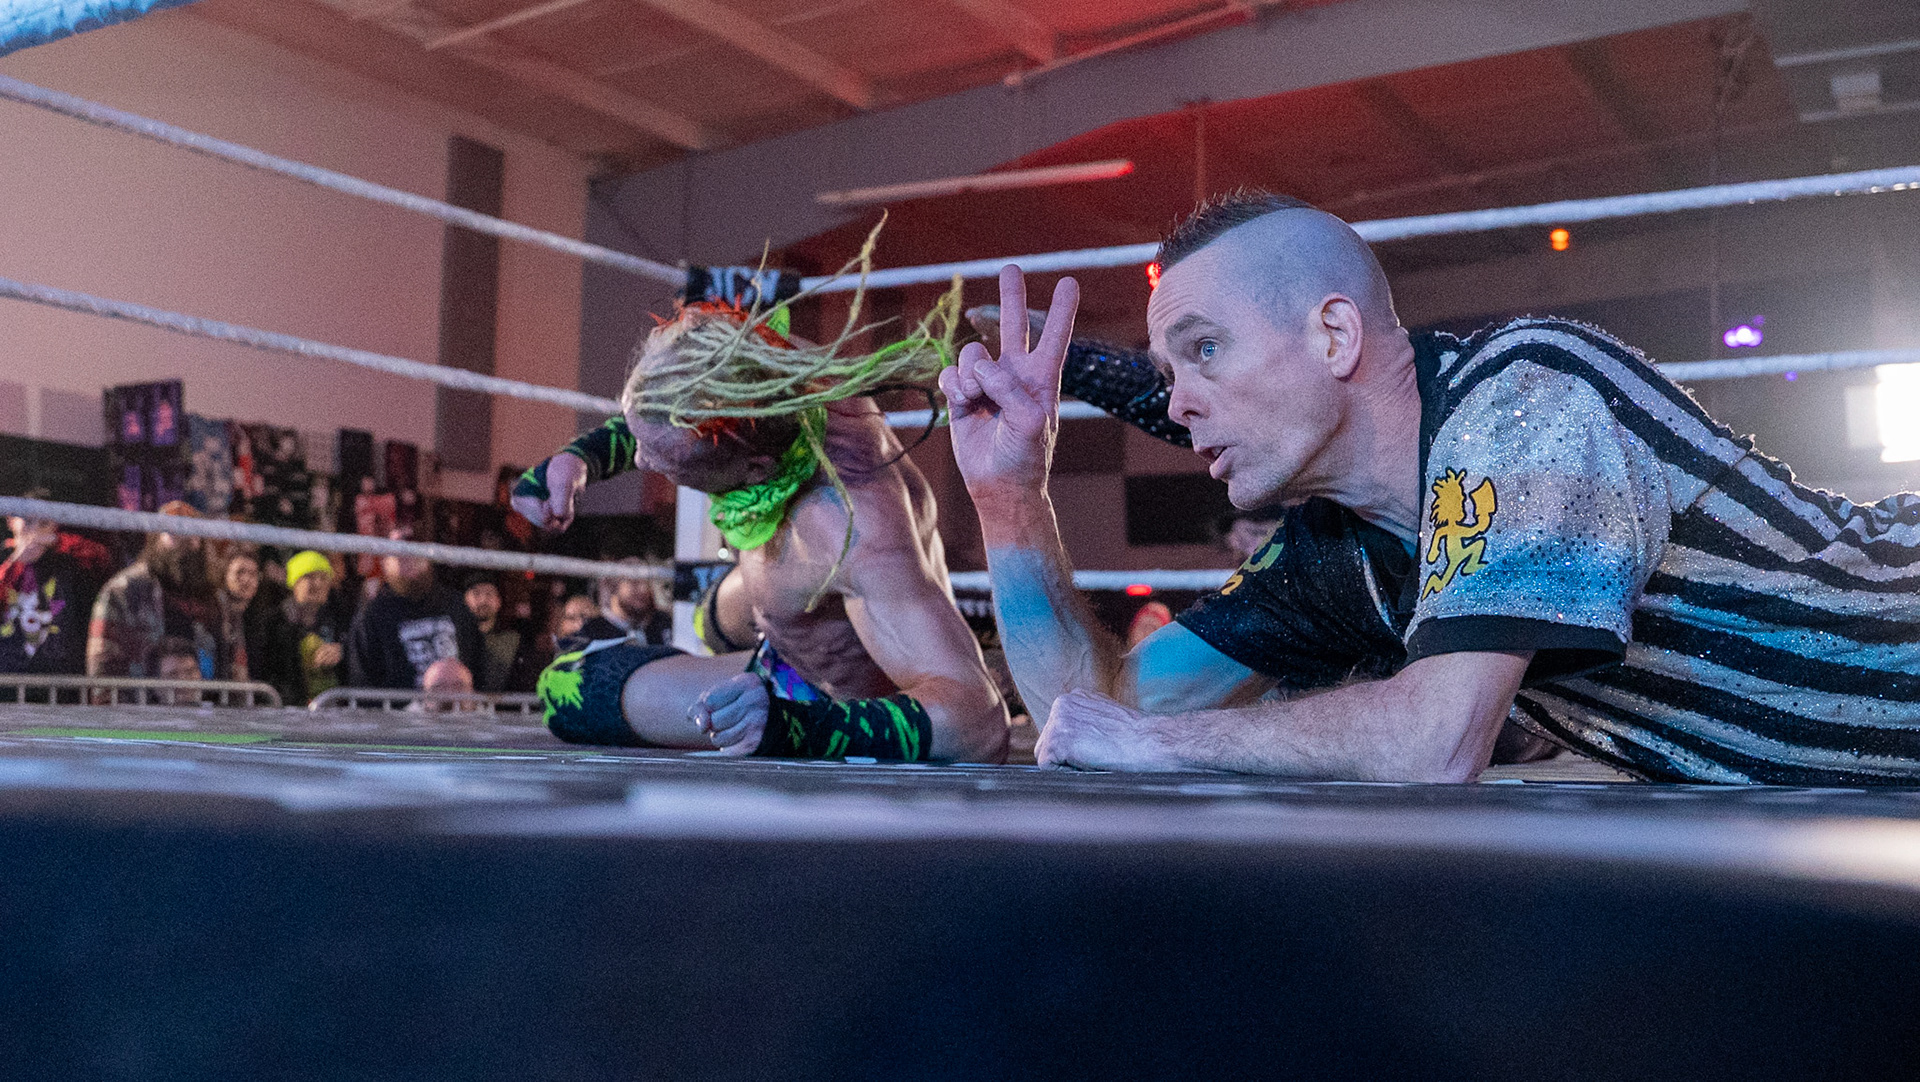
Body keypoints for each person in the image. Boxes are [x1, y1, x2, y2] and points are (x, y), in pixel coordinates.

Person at [942, 188, 1920, 786]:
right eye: (1168, 371)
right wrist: (1010, 499)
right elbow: (1093, 717)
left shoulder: (1526, 395)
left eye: (1203, 349)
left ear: (1334, 334)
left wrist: (1164, 749)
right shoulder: (1338, 554)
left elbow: (1438, 741)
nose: (1178, 402)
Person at [517, 293, 1009, 762]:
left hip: (819, 694)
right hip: (786, 622)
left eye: (663, 458)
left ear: (756, 469)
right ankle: (725, 634)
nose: (641, 461)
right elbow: (670, 407)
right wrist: (581, 459)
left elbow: (981, 725)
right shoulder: (763, 364)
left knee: (568, 688)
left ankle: (764, 690)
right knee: (710, 616)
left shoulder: (854, 531)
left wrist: (794, 728)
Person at [88, 501, 226, 681]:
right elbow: (102, 658)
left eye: (192, 531)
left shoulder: (213, 595)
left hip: (206, 696)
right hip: (142, 696)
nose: (183, 538)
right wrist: (106, 697)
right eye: (173, 531)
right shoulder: (125, 589)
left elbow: (230, 654)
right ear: (155, 538)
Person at [345, 531, 483, 690]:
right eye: (399, 554)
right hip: (400, 705)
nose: (408, 559)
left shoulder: (455, 604)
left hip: (459, 703)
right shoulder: (373, 615)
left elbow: (478, 661)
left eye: (414, 551)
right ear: (385, 563)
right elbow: (362, 680)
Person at [1, 490, 111, 681]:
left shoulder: (69, 560)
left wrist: (53, 540)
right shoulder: (4, 558)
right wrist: (16, 561)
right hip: (8, 678)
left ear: (55, 524)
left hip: (59, 679)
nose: (35, 531)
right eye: (28, 522)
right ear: (11, 521)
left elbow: (101, 558)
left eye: (43, 523)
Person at [255, 550, 345, 706]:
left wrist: (343, 651)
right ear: (294, 582)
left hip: (333, 708)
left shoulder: (339, 618)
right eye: (309, 576)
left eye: (323, 577)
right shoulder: (273, 623)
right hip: (287, 709)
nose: (317, 584)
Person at [463, 573, 538, 693]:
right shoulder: (455, 638)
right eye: (476, 593)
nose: (483, 600)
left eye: (489, 594)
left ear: (498, 602)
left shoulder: (512, 641)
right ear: (465, 599)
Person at [579, 559, 672, 645]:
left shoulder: (663, 623)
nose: (644, 589)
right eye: (634, 583)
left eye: (647, 583)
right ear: (614, 588)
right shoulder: (593, 632)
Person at [214, 549, 260, 682]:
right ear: (225, 574)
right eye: (240, 572)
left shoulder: (258, 618)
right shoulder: (214, 612)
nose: (246, 580)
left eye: (253, 574)